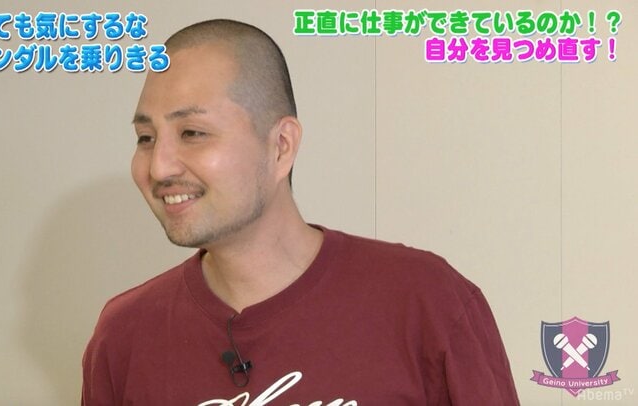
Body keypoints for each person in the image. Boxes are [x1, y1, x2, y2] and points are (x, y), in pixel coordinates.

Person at [82, 19, 520, 405]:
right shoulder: (124, 335)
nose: (159, 167)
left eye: (192, 132)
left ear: (281, 146)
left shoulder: (426, 301)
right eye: (145, 138)